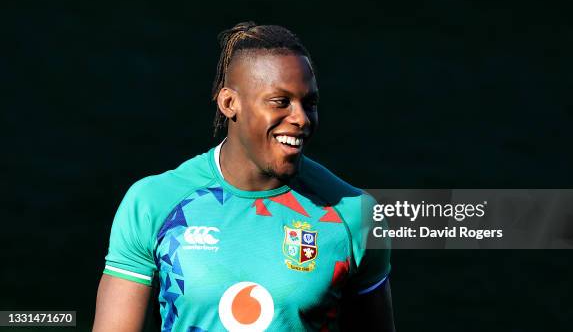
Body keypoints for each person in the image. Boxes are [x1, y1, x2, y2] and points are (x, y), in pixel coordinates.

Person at [93, 21, 394, 332]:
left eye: (310, 103)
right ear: (229, 103)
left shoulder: (355, 215)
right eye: (281, 102)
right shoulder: (153, 203)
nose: (301, 119)